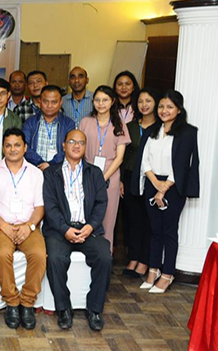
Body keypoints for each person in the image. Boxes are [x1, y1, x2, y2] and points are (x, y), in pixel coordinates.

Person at [42, 129, 112, 331]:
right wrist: (65, 229)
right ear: (63, 145)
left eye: (81, 142)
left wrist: (90, 227)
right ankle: (63, 309)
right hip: (59, 230)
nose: (76, 145)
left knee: (104, 257)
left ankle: (95, 309)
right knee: (55, 258)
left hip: (88, 228)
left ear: (85, 147)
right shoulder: (51, 173)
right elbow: (50, 205)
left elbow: (101, 203)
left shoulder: (95, 172)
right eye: (71, 141)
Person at [132, 90, 199, 294]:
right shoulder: (153, 130)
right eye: (161, 106)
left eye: (169, 107)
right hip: (153, 182)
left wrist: (164, 188)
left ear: (179, 109)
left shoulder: (187, 132)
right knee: (154, 231)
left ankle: (168, 274)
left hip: (173, 186)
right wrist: (154, 182)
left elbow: (182, 164)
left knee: (169, 231)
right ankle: (153, 270)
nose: (164, 110)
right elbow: (145, 160)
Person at [0, 128, 46, 330]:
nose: (13, 149)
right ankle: (11, 302)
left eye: (17, 145)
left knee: (39, 254)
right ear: (3, 148)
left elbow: (40, 207)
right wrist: (4, 226)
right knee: (2, 254)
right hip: (0, 226)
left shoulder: (36, 174)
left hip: (28, 226)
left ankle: (27, 303)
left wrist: (29, 227)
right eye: (8, 145)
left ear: (25, 147)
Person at [79, 86, 130, 251]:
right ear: (93, 102)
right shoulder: (86, 122)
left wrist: (103, 177)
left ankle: (105, 258)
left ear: (112, 101)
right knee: (86, 216)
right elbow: (79, 150)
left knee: (108, 219)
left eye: (105, 100)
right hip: (87, 174)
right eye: (97, 100)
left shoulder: (119, 123)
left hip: (111, 177)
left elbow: (120, 157)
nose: (101, 104)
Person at [120, 87, 158, 278]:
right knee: (133, 219)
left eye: (148, 101)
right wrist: (119, 180)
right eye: (141, 101)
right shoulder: (131, 126)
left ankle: (144, 260)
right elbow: (124, 154)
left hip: (151, 179)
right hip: (130, 176)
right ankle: (133, 257)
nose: (144, 105)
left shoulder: (161, 127)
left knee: (148, 220)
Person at [22, 85, 75, 171]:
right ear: (40, 101)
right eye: (45, 101)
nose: (49, 106)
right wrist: (40, 163)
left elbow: (70, 148)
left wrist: (51, 164)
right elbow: (24, 146)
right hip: (34, 170)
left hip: (59, 171)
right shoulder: (29, 123)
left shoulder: (69, 124)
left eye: (54, 102)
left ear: (61, 102)